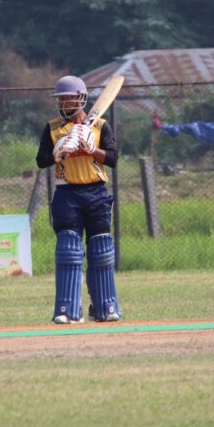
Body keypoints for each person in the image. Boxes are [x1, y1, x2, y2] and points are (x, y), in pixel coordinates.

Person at [36, 75, 122, 324]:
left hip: (96, 193)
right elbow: (41, 160)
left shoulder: (100, 126)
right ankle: (68, 309)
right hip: (67, 193)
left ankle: (105, 306)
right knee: (69, 251)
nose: (63, 103)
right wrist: (58, 152)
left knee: (101, 251)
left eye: (68, 98)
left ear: (81, 99)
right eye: (60, 99)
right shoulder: (53, 128)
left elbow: (113, 159)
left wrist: (91, 150)